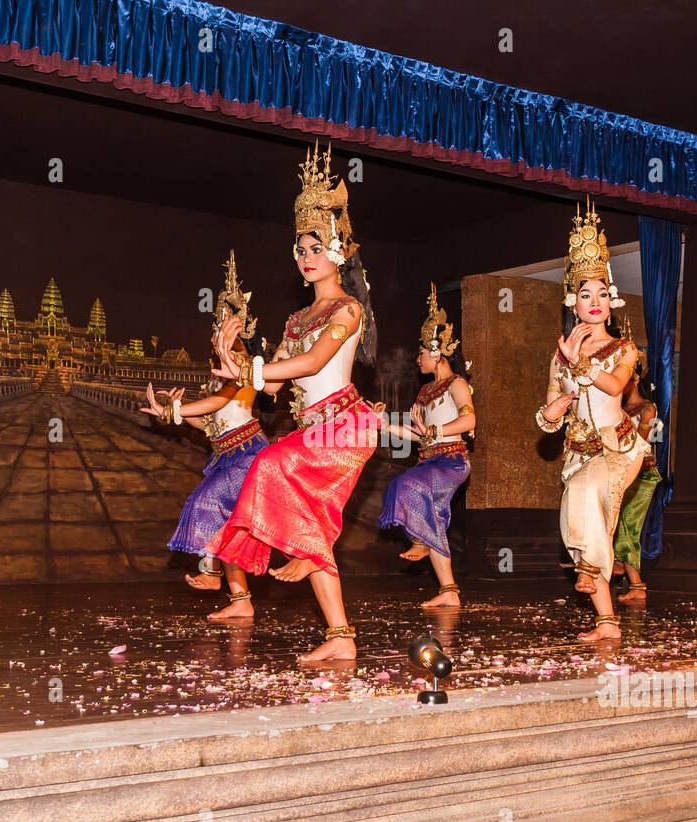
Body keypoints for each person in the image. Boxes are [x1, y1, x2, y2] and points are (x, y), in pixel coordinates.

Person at [204, 142, 381, 662]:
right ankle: (340, 637)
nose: (306, 258)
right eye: (299, 250)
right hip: (314, 431)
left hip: (344, 426)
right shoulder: (294, 320)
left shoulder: (348, 310)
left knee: (270, 463)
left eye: (315, 248)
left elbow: (308, 365)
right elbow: (274, 388)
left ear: (340, 252)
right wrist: (235, 354)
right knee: (296, 507)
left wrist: (249, 368)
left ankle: (307, 545)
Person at [536, 199, 648, 641]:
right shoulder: (558, 357)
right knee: (578, 523)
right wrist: (551, 412)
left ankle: (588, 570)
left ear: (612, 299)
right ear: (573, 301)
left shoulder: (624, 349)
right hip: (580, 451)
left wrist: (579, 361)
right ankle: (606, 621)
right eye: (586, 294)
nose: (595, 301)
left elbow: (616, 388)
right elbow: (549, 410)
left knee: (583, 498)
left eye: (602, 293)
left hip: (618, 448)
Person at [142, 253, 270, 621]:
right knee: (227, 522)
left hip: (248, 453)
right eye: (217, 324)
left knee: (206, 502)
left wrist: (181, 410)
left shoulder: (243, 360)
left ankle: (213, 573)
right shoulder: (219, 366)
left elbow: (221, 400)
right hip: (227, 452)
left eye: (227, 324)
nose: (219, 331)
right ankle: (240, 600)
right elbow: (213, 422)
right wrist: (176, 414)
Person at [375, 283, 476, 607]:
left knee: (408, 484)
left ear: (436, 352)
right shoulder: (425, 392)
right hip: (430, 460)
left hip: (452, 462)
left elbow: (469, 422)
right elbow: (418, 434)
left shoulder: (457, 384)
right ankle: (449, 591)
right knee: (432, 515)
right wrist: (384, 424)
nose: (417, 359)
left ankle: (418, 538)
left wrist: (434, 430)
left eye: (421, 352)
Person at [611, 335, 661, 604]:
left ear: (636, 379)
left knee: (627, 526)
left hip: (642, 474)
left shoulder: (647, 408)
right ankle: (624, 571)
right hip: (620, 472)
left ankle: (637, 584)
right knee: (617, 524)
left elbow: (641, 443)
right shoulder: (615, 409)